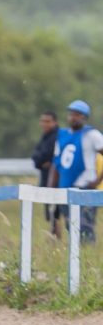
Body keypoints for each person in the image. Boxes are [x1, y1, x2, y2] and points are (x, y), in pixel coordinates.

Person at [51, 100, 103, 244]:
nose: (73, 117)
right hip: (65, 186)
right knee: (71, 225)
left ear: (84, 117)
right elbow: (56, 165)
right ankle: (76, 257)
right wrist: (51, 189)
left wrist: (98, 180)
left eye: (77, 115)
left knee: (85, 225)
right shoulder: (62, 135)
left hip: (85, 185)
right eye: (71, 114)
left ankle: (88, 257)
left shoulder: (92, 134)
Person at [32, 110, 62, 236]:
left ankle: (57, 238)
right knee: (50, 213)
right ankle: (54, 238)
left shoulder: (58, 136)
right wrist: (41, 161)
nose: (44, 124)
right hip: (45, 178)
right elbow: (36, 157)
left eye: (47, 121)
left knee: (57, 212)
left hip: (57, 181)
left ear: (54, 122)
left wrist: (44, 160)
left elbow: (47, 155)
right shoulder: (45, 136)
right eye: (42, 121)